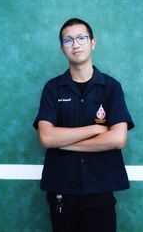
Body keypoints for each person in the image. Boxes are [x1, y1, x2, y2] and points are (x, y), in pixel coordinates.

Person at [33, 18, 134, 232]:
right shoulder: (52, 88)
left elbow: (117, 139)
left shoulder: (111, 87)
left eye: (81, 38)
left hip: (101, 189)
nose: (75, 44)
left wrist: (63, 142)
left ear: (93, 43)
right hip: (61, 188)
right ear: (62, 48)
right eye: (68, 40)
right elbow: (46, 138)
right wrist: (95, 129)